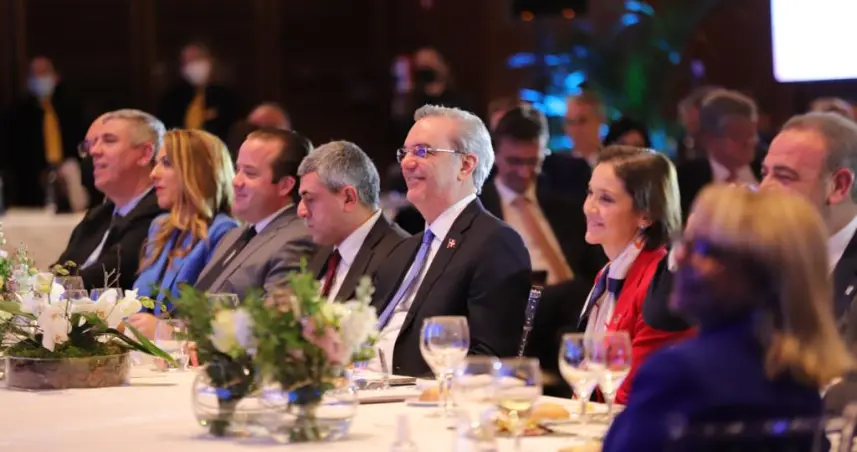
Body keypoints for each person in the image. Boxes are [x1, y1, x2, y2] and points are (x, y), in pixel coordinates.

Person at [603, 185, 853, 452]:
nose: (680, 256)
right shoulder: (799, 380)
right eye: (683, 241)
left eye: (701, 249)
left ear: (754, 272)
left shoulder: (677, 373)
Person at [371, 105, 531, 377]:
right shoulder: (403, 251)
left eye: (423, 151)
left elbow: (490, 358)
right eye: (405, 152)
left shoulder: (495, 242)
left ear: (465, 166)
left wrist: (421, 392)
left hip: (426, 396)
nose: (407, 163)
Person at [579, 145, 694, 405]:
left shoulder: (660, 286)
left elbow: (635, 396)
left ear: (646, 214)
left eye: (605, 199)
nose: (589, 208)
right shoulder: (608, 273)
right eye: (590, 193)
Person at [127, 129, 238, 336]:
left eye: (167, 163)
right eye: (156, 163)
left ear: (199, 172)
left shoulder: (223, 231)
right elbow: (138, 304)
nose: (153, 174)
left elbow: (216, 320)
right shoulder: (160, 227)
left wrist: (163, 330)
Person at [194, 128, 315, 299]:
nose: (236, 181)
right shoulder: (233, 236)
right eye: (237, 169)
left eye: (250, 173)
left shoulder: (298, 239)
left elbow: (273, 314)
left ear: (285, 185)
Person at [55, 109, 166, 289]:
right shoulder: (98, 215)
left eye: (109, 141)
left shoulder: (159, 212)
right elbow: (61, 270)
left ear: (145, 154)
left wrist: (47, 288)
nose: (94, 151)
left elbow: (107, 276)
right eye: (91, 145)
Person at [298, 141, 409, 302]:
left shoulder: (400, 257)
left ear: (348, 198)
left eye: (310, 199)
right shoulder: (321, 250)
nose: (301, 211)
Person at [6, 56, 89, 211]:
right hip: (31, 185)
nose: (40, 78)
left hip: (69, 176)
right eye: (34, 74)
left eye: (44, 73)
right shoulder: (17, 115)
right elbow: (13, 153)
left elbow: (82, 145)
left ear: (56, 77)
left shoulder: (71, 110)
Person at [677, 89, 762, 219]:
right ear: (709, 138)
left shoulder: (769, 170)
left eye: (752, 133)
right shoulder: (684, 180)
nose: (750, 141)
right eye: (737, 134)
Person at [157, 42, 239, 142]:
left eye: (196, 59)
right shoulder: (172, 98)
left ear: (210, 60)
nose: (192, 65)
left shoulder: (227, 97)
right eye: (186, 61)